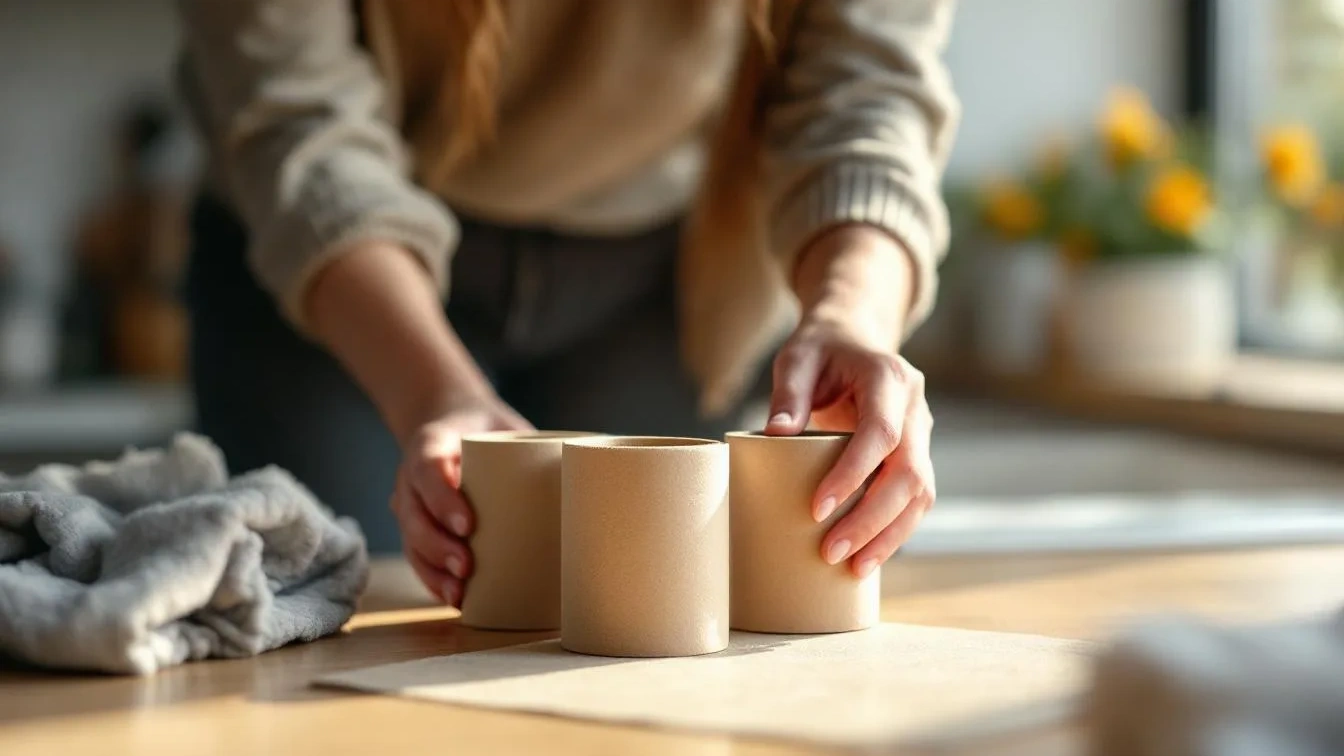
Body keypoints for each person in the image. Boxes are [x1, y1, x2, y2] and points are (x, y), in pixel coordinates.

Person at [176, 0, 958, 606]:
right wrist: (432, 391)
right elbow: (294, 117)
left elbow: (868, 86)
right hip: (336, 278)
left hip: (657, 279)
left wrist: (852, 314)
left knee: (639, 626)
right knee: (341, 611)